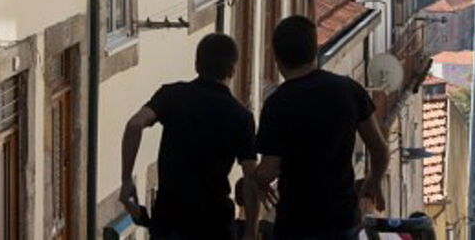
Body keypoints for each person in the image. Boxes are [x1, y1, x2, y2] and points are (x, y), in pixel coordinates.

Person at [255, 16, 389, 240]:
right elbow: (380, 150)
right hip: (342, 220)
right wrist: (372, 182)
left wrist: (257, 181)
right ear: (314, 51)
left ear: (276, 58)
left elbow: (268, 170)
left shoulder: (278, 103)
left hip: (297, 223)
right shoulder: (349, 90)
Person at [119, 33, 261, 240]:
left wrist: (126, 180)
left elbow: (134, 125)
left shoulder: (172, 95)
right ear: (232, 70)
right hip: (213, 223)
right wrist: (251, 231)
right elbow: (251, 178)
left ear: (197, 65)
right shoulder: (241, 117)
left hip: (170, 219)